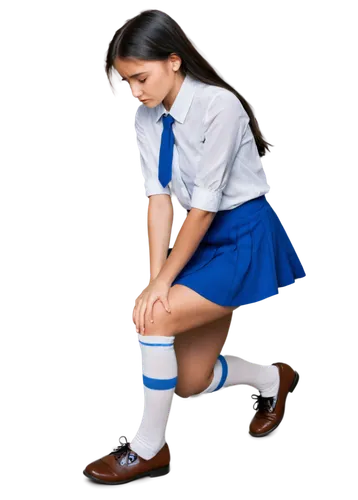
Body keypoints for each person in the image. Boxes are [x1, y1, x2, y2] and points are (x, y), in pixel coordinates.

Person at [82, 7, 307, 486]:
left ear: (174, 60)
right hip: (200, 237)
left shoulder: (218, 105)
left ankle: (148, 449)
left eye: (140, 78)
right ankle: (275, 378)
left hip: (243, 234)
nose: (135, 92)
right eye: (128, 83)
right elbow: (160, 199)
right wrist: (153, 277)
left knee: (154, 319)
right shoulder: (145, 113)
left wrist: (160, 287)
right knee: (188, 382)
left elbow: (204, 207)